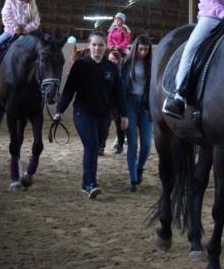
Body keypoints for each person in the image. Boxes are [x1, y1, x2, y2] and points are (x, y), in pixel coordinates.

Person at [53, 31, 127, 199]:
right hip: (83, 113)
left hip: (104, 115)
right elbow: (69, 91)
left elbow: (119, 94)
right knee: (92, 145)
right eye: (94, 45)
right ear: (89, 46)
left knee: (98, 144)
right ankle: (89, 184)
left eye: (101, 45)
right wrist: (59, 110)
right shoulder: (80, 65)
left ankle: (87, 181)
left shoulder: (112, 68)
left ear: (106, 47)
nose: (97, 48)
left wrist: (124, 114)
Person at [121, 35, 154, 192]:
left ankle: (139, 167)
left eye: (146, 50)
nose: (143, 52)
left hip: (145, 106)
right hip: (130, 104)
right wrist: (122, 112)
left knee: (147, 144)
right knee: (133, 144)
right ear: (136, 48)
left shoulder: (152, 65)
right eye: (141, 49)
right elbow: (120, 87)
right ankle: (133, 180)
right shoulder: (126, 63)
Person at [99, 50, 126, 156]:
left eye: (113, 59)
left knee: (119, 126)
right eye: (109, 59)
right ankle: (101, 147)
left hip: (118, 103)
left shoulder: (121, 71)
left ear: (118, 60)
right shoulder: (105, 70)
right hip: (107, 103)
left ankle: (120, 146)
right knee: (105, 125)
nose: (111, 61)